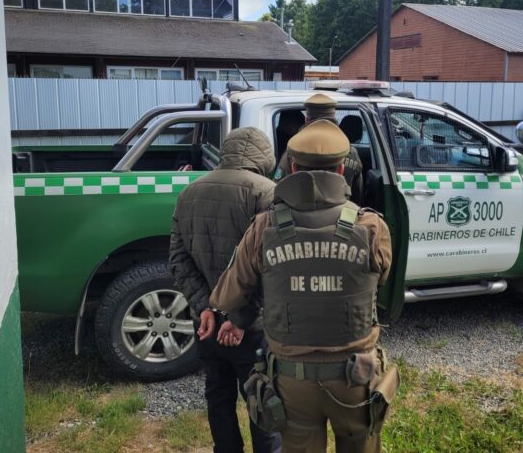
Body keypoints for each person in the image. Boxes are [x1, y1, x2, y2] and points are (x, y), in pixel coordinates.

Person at [211, 119, 394, 453]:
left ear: (292, 167)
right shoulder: (371, 226)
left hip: (292, 383)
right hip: (354, 377)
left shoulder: (264, 226)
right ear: (342, 169)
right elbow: (381, 277)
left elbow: (227, 294)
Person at [168, 127, 281, 453]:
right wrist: (240, 318)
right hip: (251, 328)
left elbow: (177, 259)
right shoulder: (267, 193)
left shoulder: (189, 192)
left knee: (217, 396)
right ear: (264, 157)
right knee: (262, 399)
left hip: (205, 325)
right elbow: (270, 267)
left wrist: (206, 309)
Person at [274, 93, 365, 204]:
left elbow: (278, 191)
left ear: (307, 119)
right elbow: (358, 195)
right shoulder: (351, 152)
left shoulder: (293, 151)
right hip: (343, 216)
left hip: (299, 217)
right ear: (334, 117)